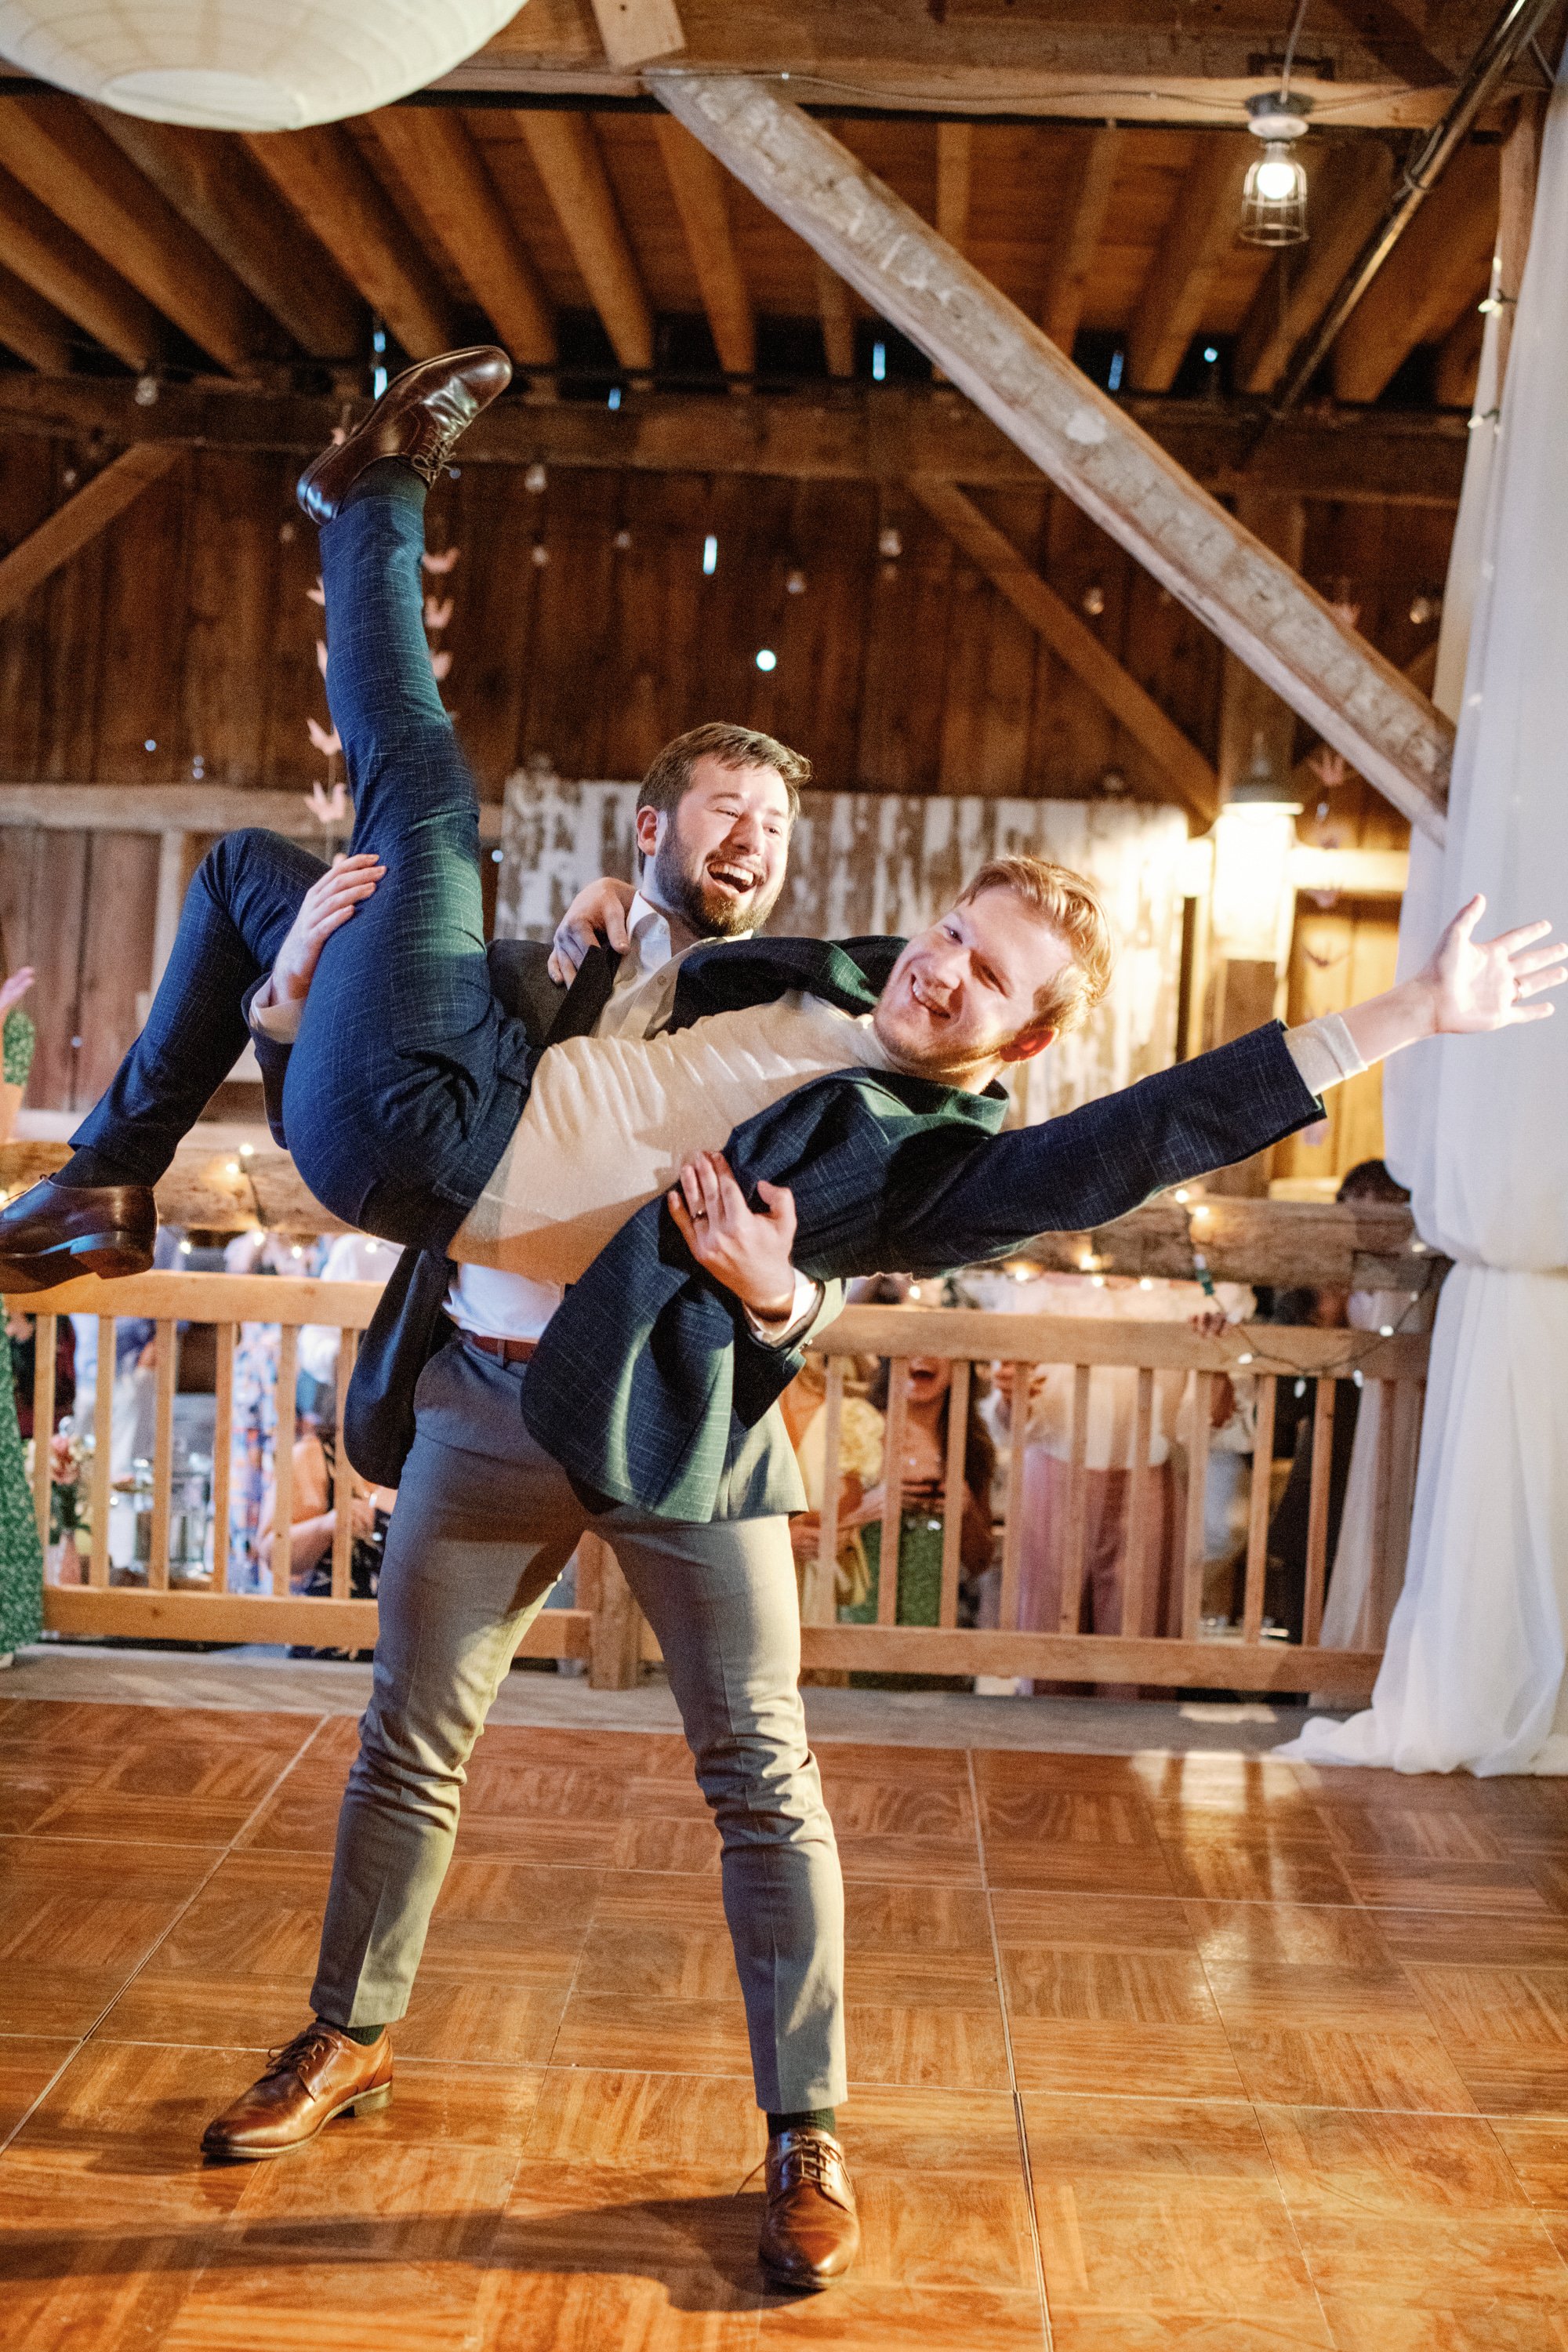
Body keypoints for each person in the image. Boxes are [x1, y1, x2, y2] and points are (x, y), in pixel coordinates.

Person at [3, 350, 1560, 2292]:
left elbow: (1128, 1148)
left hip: (677, 1434)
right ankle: (349, 2034)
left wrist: (1392, 1025)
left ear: (1017, 1036)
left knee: (763, 1780)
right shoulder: (711, 956)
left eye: (985, 980)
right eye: (947, 934)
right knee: (409, 1740)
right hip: (481, 1388)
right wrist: (289, 997)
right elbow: (464, 1062)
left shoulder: (935, 1147)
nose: (942, 971)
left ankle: (805, 2131)